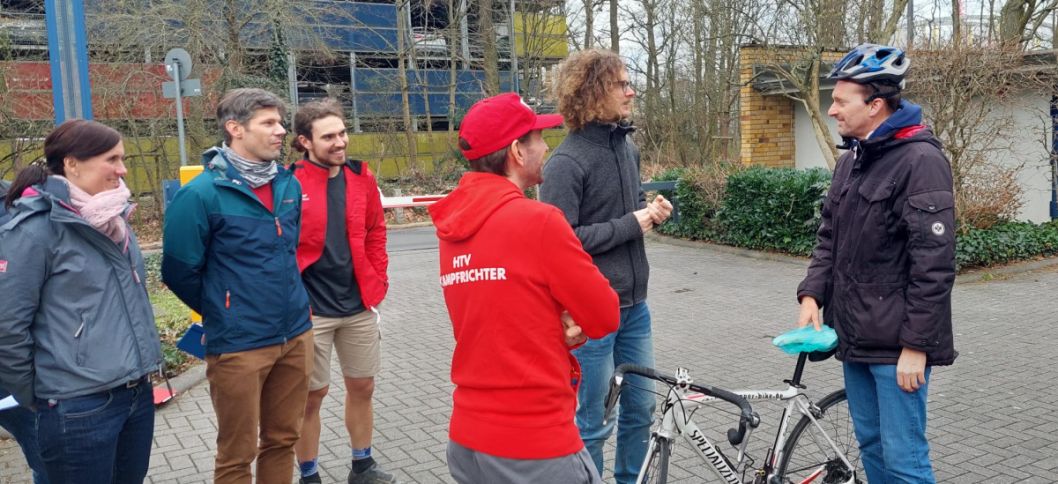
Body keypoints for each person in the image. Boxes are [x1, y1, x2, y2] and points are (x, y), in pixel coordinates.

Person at [429, 92, 620, 483]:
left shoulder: (452, 227)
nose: (547, 145)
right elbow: (605, 315)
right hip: (534, 443)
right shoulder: (540, 221)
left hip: (468, 440)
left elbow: (503, 313)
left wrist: (556, 319)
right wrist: (571, 319)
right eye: (538, 138)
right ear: (517, 150)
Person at [795, 43, 957, 484]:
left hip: (898, 349)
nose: (832, 111)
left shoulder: (921, 161)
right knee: (871, 449)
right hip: (855, 338)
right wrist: (812, 293)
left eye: (841, 101)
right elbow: (829, 237)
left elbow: (935, 266)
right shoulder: (851, 161)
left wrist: (916, 347)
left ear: (876, 104)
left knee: (904, 461)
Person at [162, 88, 314, 484]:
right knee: (237, 453)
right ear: (235, 129)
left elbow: (289, 252)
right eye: (269, 123)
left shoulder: (287, 185)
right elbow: (179, 272)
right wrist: (225, 309)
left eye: (280, 122)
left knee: (283, 439)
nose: (281, 131)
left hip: (296, 334)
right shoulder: (199, 195)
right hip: (239, 344)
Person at [0, 120, 162, 483]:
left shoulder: (116, 218)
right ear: (72, 164)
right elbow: (7, 326)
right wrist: (36, 394)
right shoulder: (34, 229)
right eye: (112, 159)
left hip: (134, 392)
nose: (122, 169)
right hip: (76, 406)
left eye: (123, 158)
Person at [538, 47, 672, 483]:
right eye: (622, 84)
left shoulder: (627, 147)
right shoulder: (565, 163)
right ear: (592, 92)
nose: (631, 92)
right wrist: (629, 224)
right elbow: (561, 243)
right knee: (593, 421)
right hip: (590, 317)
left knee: (642, 409)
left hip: (636, 308)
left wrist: (649, 212)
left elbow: (629, 211)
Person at [288, 99, 397, 484]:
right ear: (304, 141)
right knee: (311, 396)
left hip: (358, 305)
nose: (340, 142)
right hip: (310, 310)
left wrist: (377, 277)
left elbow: (375, 230)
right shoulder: (289, 182)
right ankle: (309, 474)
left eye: (343, 133)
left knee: (363, 386)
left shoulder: (361, 177)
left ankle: (362, 465)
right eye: (328, 136)